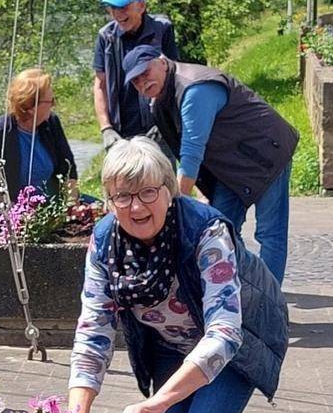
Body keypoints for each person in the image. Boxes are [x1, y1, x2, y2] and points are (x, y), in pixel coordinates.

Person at [45, 137, 288, 413]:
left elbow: (224, 331)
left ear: (168, 189)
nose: (137, 206)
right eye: (123, 195)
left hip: (236, 342)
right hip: (168, 345)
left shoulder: (206, 232)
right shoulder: (103, 244)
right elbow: (93, 330)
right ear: (110, 200)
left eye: (148, 191)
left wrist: (154, 402)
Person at [122, 45, 296, 284]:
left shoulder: (195, 88)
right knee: (220, 230)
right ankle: (245, 287)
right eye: (135, 81)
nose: (142, 82)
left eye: (146, 72)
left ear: (162, 62)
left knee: (269, 233)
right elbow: (178, 152)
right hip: (231, 166)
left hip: (267, 153)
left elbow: (192, 151)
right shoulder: (159, 100)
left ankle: (268, 304)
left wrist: (175, 206)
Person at [0, 68, 80, 292]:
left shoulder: (51, 124)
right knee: (14, 270)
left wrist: (71, 204)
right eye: (51, 100)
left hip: (47, 204)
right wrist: (7, 212)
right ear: (30, 105)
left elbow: (69, 168)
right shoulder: (1, 130)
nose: (54, 105)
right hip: (9, 210)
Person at [93, 0, 179, 151]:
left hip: (158, 130)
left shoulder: (162, 30)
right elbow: (100, 84)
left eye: (123, 7)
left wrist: (165, 121)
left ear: (141, 6)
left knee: (162, 178)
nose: (117, 14)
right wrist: (106, 128)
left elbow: (174, 79)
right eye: (113, 8)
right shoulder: (105, 37)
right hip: (121, 133)